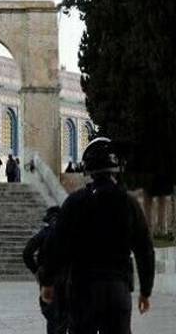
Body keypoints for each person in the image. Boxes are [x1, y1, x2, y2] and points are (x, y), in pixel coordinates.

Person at [40, 137, 155, 334]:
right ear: (116, 167)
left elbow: (57, 244)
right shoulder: (129, 203)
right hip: (118, 288)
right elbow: (145, 249)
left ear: (88, 168)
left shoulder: (75, 202)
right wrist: (146, 290)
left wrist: (48, 281)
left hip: (83, 288)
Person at [23, 207, 67, 334]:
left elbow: (27, 253)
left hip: (48, 279)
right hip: (66, 279)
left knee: (51, 314)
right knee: (64, 315)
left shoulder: (45, 233)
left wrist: (36, 271)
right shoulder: (69, 234)